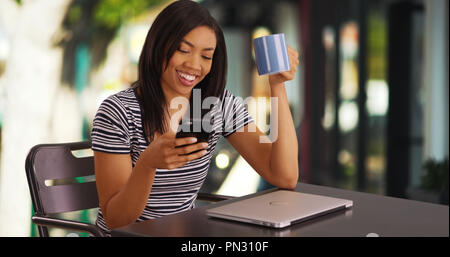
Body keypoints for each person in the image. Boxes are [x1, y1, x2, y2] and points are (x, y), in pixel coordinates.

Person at [91, 0, 299, 236]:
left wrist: (278, 86)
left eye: (206, 56)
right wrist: (147, 165)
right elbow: (116, 220)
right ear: (158, 45)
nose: (194, 65)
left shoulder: (215, 104)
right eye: (183, 50)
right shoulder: (117, 112)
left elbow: (285, 176)